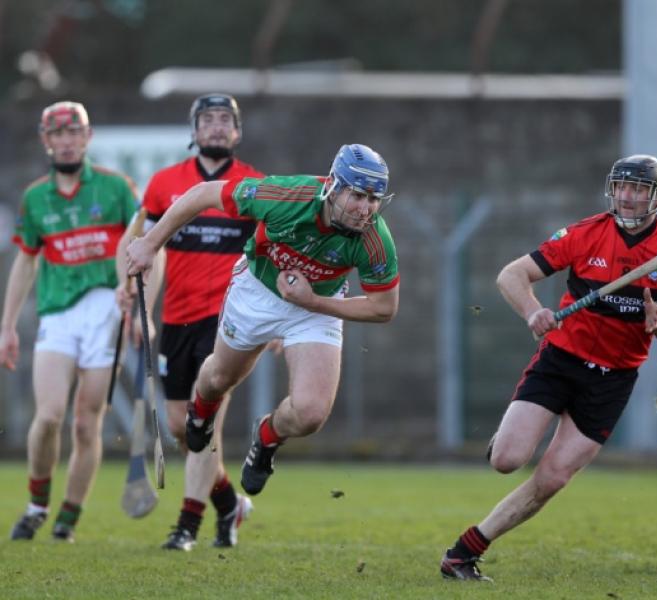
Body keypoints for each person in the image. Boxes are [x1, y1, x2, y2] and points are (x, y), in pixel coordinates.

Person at [439, 155, 657, 582]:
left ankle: (462, 554)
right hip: (560, 361)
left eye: (638, 190)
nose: (627, 197)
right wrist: (533, 311)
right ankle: (506, 438)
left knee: (553, 478)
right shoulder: (585, 233)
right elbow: (511, 275)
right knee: (506, 461)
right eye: (621, 187)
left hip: (613, 380)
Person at [125, 143, 399, 511]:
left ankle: (267, 437)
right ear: (333, 185)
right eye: (357, 195)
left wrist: (312, 302)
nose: (365, 209)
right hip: (257, 291)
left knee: (311, 413)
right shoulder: (285, 195)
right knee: (218, 378)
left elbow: (384, 308)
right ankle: (202, 410)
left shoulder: (374, 239)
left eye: (373, 199)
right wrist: (149, 244)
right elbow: (203, 194)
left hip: (316, 305)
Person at [115, 94, 266, 551]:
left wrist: (275, 321)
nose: (217, 127)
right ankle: (228, 506)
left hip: (228, 323)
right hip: (177, 318)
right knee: (182, 427)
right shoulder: (165, 183)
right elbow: (149, 249)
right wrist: (141, 306)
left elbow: (268, 257)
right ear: (194, 130)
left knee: (208, 423)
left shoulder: (254, 185)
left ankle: (186, 526)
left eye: (225, 120)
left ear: (237, 132)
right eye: (208, 120)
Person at [1, 101, 139, 542]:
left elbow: (143, 247)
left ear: (87, 137)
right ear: (46, 141)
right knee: (48, 416)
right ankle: (38, 503)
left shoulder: (117, 189)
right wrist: (6, 326)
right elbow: (25, 262)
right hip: (57, 314)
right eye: (56, 134)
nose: (65, 141)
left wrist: (138, 305)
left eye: (73, 133)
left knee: (85, 422)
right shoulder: (35, 197)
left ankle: (68, 519)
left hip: (105, 311)